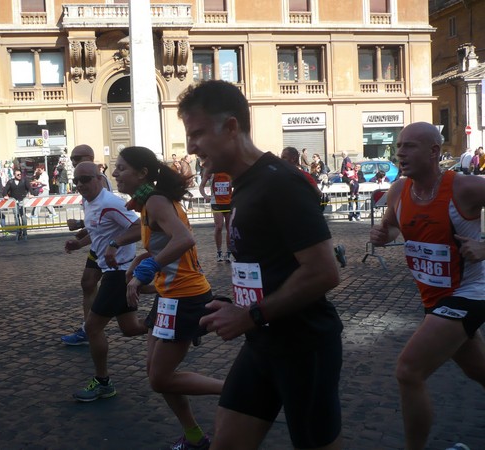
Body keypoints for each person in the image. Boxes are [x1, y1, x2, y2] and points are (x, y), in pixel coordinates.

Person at [178, 80, 343, 450]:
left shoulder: (281, 183)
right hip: (262, 342)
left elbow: (323, 272)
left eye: (198, 133)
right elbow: (268, 264)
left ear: (232, 127)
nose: (190, 147)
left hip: (305, 346)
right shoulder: (243, 184)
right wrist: (238, 306)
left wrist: (250, 314)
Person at [369, 121, 485, 450]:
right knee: (480, 371)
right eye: (399, 146)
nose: (400, 153)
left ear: (434, 152)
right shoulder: (398, 190)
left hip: (471, 293)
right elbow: (391, 228)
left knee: (409, 370)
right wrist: (382, 235)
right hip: (433, 298)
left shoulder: (465, 187)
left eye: (409, 146)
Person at [113, 145, 223, 450]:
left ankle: (237, 391)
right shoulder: (150, 203)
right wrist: (138, 263)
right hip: (168, 297)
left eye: (121, 168)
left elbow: (184, 239)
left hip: (185, 296)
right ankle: (194, 436)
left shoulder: (158, 201)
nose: (114, 173)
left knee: (160, 379)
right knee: (156, 373)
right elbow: (161, 244)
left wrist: (145, 268)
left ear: (142, 173)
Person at [66, 162, 147, 402]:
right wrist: (78, 243)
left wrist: (116, 244)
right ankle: (175, 323)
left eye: (86, 179)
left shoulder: (110, 202)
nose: (81, 185)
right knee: (130, 328)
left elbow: (142, 226)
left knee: (92, 328)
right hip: (113, 269)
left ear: (99, 178)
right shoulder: (90, 203)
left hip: (118, 272)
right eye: (77, 181)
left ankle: (103, 383)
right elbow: (98, 231)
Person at [61, 144, 106, 345]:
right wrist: (84, 227)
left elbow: (108, 218)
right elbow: (97, 217)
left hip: (109, 245)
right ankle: (89, 329)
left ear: (89, 157)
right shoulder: (88, 182)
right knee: (88, 283)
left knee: (127, 318)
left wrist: (82, 236)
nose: (73, 162)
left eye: (77, 158)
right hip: (100, 242)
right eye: (71, 159)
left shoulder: (99, 182)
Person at [199, 169, 232, 262]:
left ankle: (228, 253)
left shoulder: (230, 168)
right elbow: (201, 186)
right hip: (216, 202)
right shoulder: (211, 170)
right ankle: (219, 252)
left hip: (229, 202)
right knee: (219, 227)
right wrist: (205, 195)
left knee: (230, 228)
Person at [2, 168, 33, 240]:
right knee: (16, 216)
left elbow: (30, 188)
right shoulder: (10, 182)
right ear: (14, 175)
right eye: (18, 174)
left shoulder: (24, 180)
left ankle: (25, 233)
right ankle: (18, 232)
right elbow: (5, 190)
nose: (19, 175)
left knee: (23, 217)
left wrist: (31, 194)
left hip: (22, 200)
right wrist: (5, 195)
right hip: (14, 201)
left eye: (20, 174)